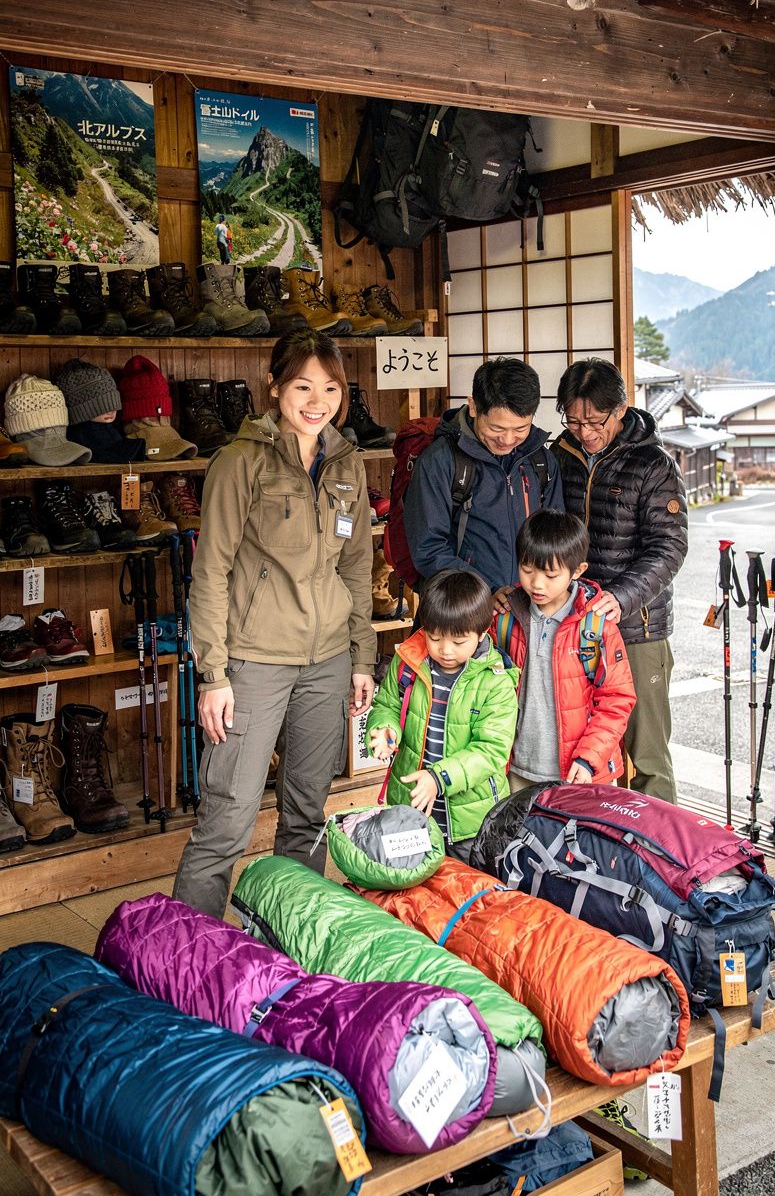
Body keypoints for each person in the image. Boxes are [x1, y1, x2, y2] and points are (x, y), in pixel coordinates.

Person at [173, 329, 376, 919]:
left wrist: (362, 657)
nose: (318, 402)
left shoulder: (347, 464)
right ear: (274, 387)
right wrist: (214, 675)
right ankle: (188, 951)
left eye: (331, 389)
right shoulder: (241, 461)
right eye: (303, 387)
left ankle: (289, 943)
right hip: (254, 662)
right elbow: (210, 572)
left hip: (328, 660)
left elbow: (357, 567)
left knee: (307, 815)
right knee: (227, 819)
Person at [549, 358, 688, 803]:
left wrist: (621, 597)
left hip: (636, 627)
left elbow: (670, 547)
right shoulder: (560, 456)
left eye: (595, 421)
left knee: (647, 755)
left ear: (621, 410)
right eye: (574, 421)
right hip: (574, 623)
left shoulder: (653, 463)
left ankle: (659, 843)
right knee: (587, 748)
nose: (585, 432)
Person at [366, 568, 518, 863]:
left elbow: (491, 750)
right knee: (411, 882)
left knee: (465, 885)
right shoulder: (408, 662)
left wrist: (439, 777)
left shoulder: (495, 681)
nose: (445, 650)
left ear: (482, 632)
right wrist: (384, 728)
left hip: (470, 821)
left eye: (459, 642)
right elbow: (387, 705)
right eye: (434, 637)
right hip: (411, 807)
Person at [491, 510, 635, 790]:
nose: (537, 584)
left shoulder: (596, 626)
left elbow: (617, 699)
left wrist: (589, 758)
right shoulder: (505, 619)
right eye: (527, 570)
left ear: (577, 571)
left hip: (581, 773)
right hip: (518, 770)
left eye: (551, 575)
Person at [403, 358, 563, 596]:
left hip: (529, 603)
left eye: (520, 429)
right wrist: (486, 592)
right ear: (473, 407)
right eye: (497, 428)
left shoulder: (540, 460)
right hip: (464, 606)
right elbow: (429, 549)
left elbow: (556, 539)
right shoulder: (441, 461)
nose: (507, 440)